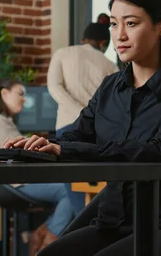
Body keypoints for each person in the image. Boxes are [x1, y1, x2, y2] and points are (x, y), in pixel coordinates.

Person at [3, 0, 161, 256]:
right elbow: (76, 135)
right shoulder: (110, 87)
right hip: (112, 223)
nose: (119, 35)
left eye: (131, 23)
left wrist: (68, 148)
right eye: (114, 24)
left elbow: (159, 152)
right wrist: (39, 146)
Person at [0, 78, 76, 255]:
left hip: (11, 181)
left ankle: (40, 236)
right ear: (4, 94)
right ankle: (46, 247)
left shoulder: (2, 122)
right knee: (69, 191)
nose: (24, 99)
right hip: (12, 182)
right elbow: (17, 156)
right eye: (20, 93)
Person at [47, 22, 118, 215]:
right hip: (98, 132)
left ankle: (83, 234)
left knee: (75, 194)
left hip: (68, 129)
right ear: (103, 43)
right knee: (98, 191)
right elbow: (116, 102)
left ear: (83, 38)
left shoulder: (62, 53)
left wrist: (79, 111)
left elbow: (54, 87)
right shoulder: (110, 65)